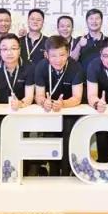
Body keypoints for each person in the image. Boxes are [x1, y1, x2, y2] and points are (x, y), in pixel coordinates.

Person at [0, 34, 35, 178]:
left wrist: (21, 104)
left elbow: (29, 96)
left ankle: (23, 174)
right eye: (4, 49)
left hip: (21, 113)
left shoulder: (29, 67)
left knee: (21, 144)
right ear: (0, 51)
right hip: (0, 114)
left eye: (13, 48)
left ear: (19, 50)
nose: (9, 52)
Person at [34, 35, 84, 176]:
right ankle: (54, 173)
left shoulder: (76, 67)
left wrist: (63, 104)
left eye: (62, 55)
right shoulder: (41, 67)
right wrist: (44, 102)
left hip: (69, 109)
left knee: (69, 139)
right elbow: (38, 96)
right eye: (53, 56)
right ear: (46, 55)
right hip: (49, 111)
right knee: (50, 138)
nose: (58, 60)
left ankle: (67, 172)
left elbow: (77, 98)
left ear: (68, 53)